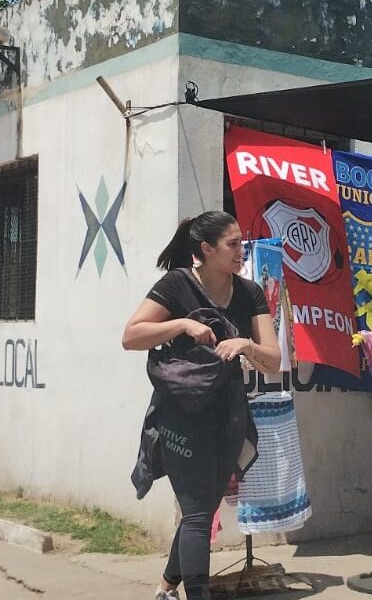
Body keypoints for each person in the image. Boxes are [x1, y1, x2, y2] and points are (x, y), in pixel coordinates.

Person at [123, 211, 281, 600]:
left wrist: (246, 344)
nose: (241, 251)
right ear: (206, 250)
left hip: (228, 415)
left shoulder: (249, 293)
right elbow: (131, 335)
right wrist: (182, 325)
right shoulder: (177, 285)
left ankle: (164, 590)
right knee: (195, 514)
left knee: (204, 510)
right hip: (182, 414)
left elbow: (273, 360)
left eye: (242, 243)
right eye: (233, 245)